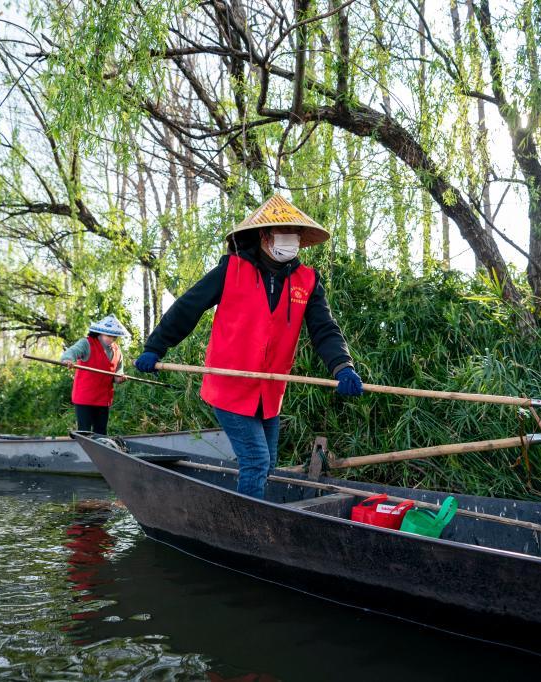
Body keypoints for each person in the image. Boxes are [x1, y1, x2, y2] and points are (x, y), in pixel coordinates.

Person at [134, 194, 363, 499]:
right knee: (256, 461)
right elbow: (188, 308)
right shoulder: (232, 270)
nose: (291, 241)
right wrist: (156, 346)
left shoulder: (307, 280)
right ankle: (246, 527)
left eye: (294, 235)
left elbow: (324, 329)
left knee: (268, 464)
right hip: (229, 385)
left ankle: (251, 515)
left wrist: (343, 367)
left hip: (269, 390)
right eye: (284, 234)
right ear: (265, 236)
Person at [61, 315, 129, 435]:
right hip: (84, 397)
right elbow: (72, 351)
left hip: (103, 398)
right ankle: (82, 452)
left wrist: (120, 378)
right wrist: (67, 360)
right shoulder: (86, 343)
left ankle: (99, 453)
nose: (111, 339)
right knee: (84, 432)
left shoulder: (117, 351)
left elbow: (118, 375)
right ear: (100, 332)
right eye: (108, 335)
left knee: (101, 432)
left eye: (114, 336)